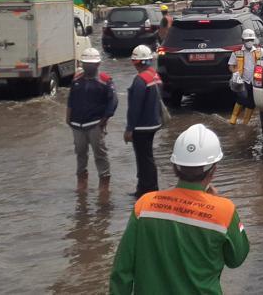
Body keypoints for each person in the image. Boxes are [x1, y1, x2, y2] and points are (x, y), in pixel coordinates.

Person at [109, 124, 250, 294]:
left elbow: (122, 271)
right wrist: (216, 202)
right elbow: (236, 258)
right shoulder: (224, 211)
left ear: (175, 167)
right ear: (213, 170)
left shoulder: (144, 206)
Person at [67, 48, 118, 191]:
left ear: (98, 64)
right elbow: (71, 100)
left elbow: (113, 101)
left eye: (91, 64)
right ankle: (81, 182)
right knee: (80, 153)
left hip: (95, 123)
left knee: (100, 154)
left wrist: (104, 119)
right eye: (85, 63)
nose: (88, 66)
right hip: (77, 124)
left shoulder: (105, 81)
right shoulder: (77, 80)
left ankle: (104, 183)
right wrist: (68, 118)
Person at [125, 44, 163, 197]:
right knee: (147, 157)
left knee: (143, 159)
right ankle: (147, 187)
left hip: (142, 127)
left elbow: (135, 108)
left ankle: (146, 190)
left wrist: (129, 129)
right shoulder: (155, 76)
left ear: (137, 62)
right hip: (154, 123)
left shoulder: (140, 80)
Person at [228, 28, 263, 125]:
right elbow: (231, 66)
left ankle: (245, 123)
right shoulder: (237, 52)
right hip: (242, 80)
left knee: (252, 103)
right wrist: (235, 73)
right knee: (242, 98)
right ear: (243, 40)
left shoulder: (260, 51)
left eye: (251, 40)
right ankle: (233, 119)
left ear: (254, 40)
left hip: (255, 81)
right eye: (247, 40)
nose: (249, 42)